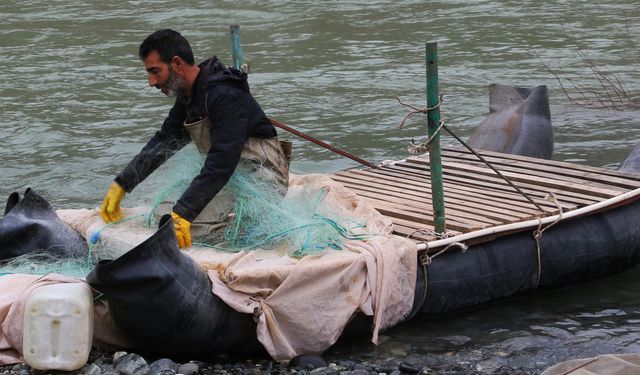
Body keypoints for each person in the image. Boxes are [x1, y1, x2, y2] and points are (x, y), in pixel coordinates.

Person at [100, 29, 290, 248]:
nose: (151, 81)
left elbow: (221, 161)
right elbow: (164, 142)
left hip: (262, 178)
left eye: (155, 71)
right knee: (162, 216)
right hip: (230, 176)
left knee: (183, 228)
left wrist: (185, 213)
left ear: (177, 64)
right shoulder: (189, 96)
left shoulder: (225, 94)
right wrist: (123, 184)